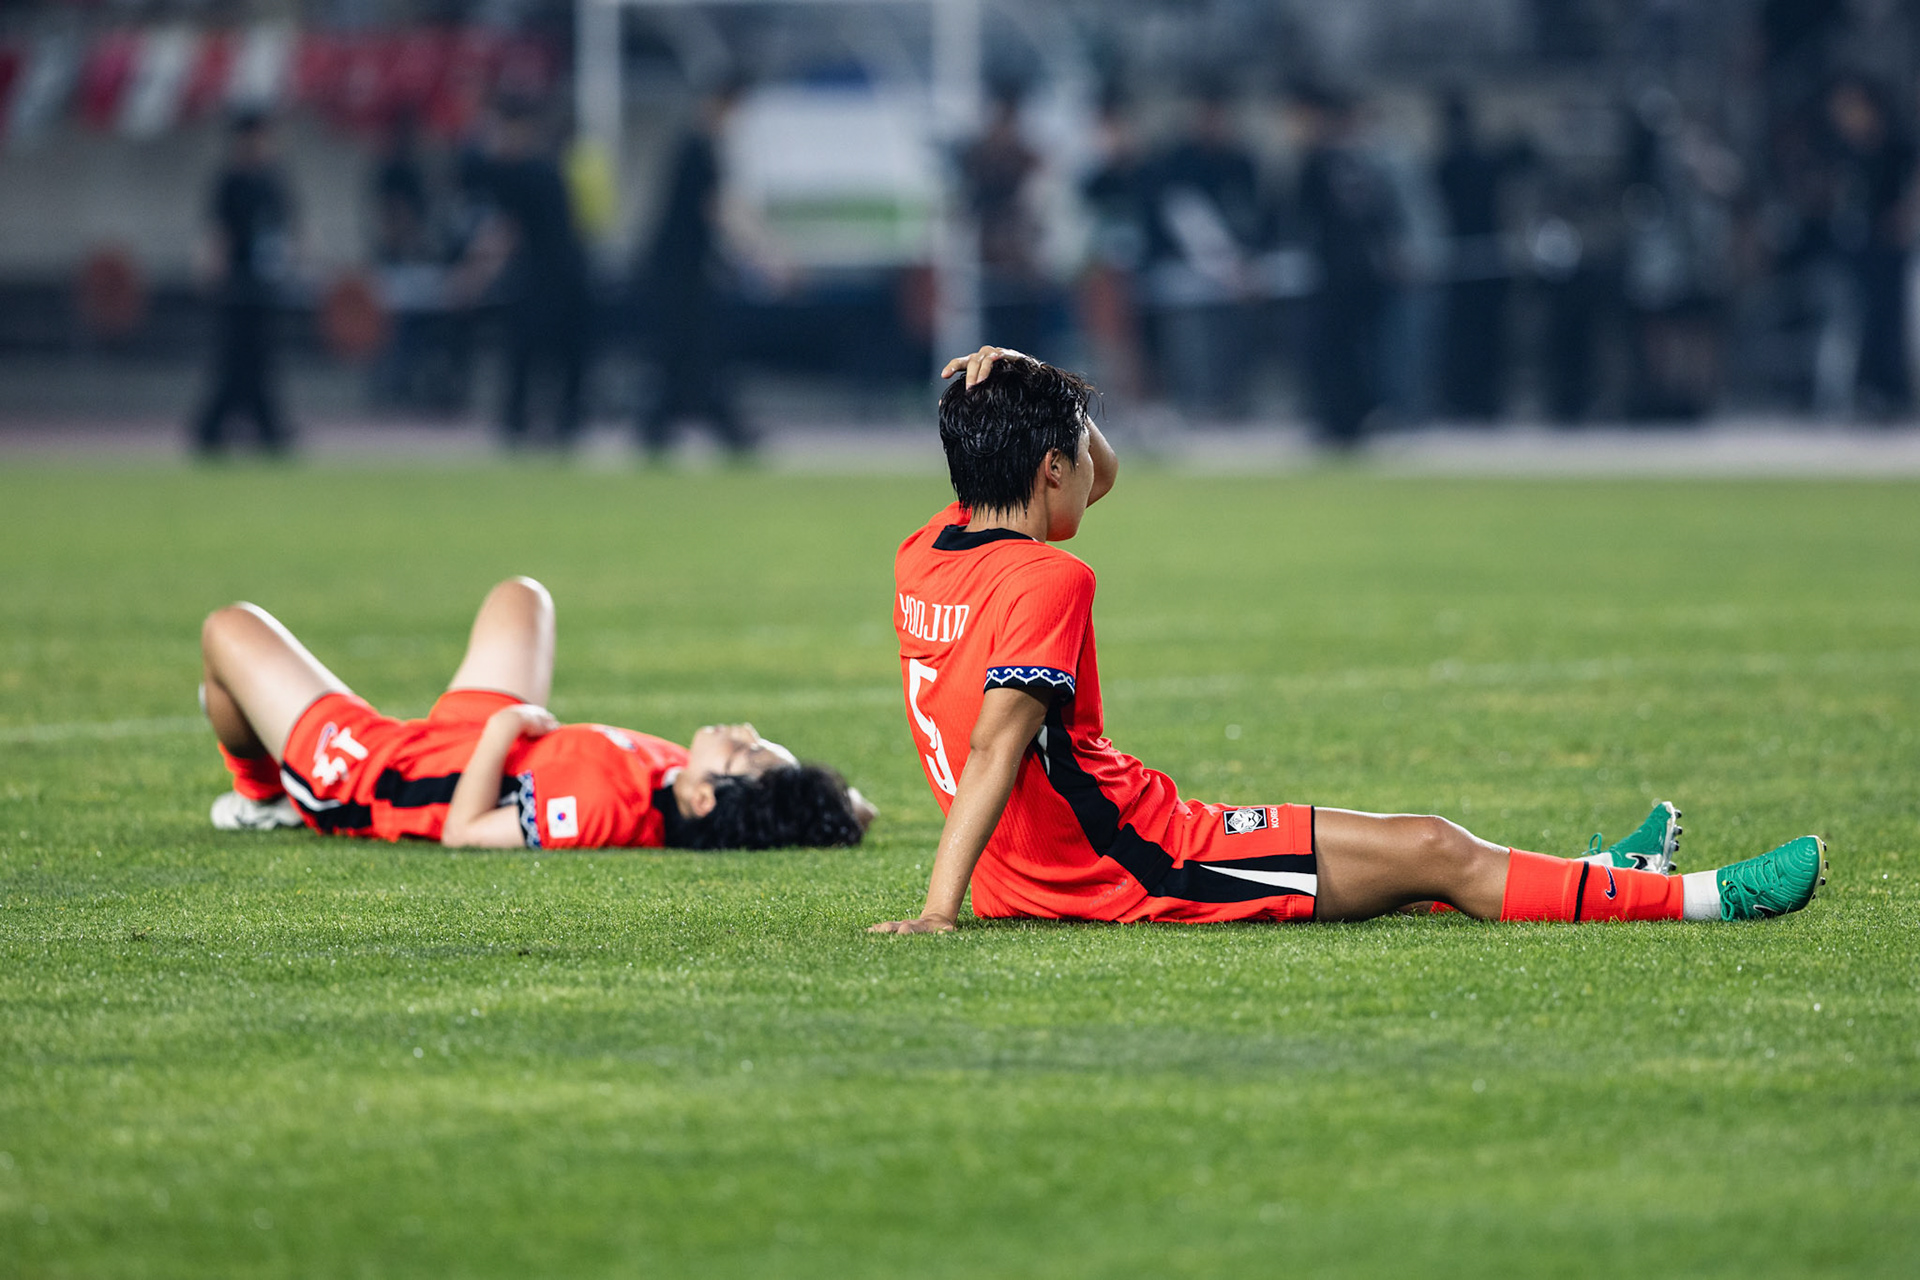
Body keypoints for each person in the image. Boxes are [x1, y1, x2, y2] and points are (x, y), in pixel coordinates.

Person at [870, 348, 1828, 933]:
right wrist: (935, 913)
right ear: (1048, 467)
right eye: (1076, 451)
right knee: (1433, 848)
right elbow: (1000, 743)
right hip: (1130, 863)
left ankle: (1606, 879)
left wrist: (1034, 389)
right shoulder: (1050, 577)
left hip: (1036, 869)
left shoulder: (929, 550)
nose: (1096, 468)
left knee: (1392, 877)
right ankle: (1709, 898)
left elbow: (1075, 484)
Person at [199, 577, 874, 851]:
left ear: (704, 799)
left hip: (390, 773)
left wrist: (501, 731)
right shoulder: (678, 780)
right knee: (522, 597)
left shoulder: (596, 807)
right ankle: (267, 765)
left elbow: (464, 832)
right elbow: (800, 809)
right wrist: (840, 803)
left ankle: (266, 796)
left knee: (228, 632)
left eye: (747, 753)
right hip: (479, 739)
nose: (746, 733)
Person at [456, 96, 594, 449]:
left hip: (553, 277)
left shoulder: (528, 173)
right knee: (543, 354)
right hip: (556, 275)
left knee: (535, 351)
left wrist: (472, 277)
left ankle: (534, 422)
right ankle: (551, 422)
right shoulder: (544, 168)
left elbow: (505, 232)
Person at [635, 78, 755, 457]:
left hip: (682, 270)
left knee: (686, 351)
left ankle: (664, 426)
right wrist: (766, 258)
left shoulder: (694, 146)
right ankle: (708, 425)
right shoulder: (699, 148)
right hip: (680, 273)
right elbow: (718, 210)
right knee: (693, 348)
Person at [191, 108, 297, 455]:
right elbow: (217, 232)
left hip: (266, 285)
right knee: (235, 359)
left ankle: (254, 428)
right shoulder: (230, 181)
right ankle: (225, 429)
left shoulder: (274, 180)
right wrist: (213, 268)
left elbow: (289, 230)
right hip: (237, 286)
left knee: (260, 360)